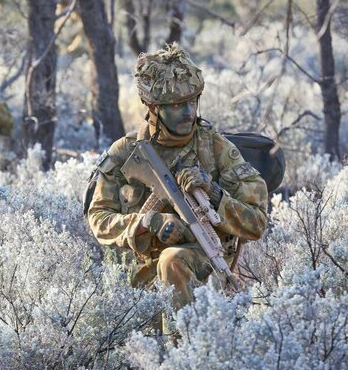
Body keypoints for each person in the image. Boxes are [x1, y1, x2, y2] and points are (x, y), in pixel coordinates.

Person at [87, 44, 268, 336]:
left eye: (193, 101)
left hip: (205, 267)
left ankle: (182, 354)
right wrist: (149, 223)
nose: (188, 112)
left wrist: (214, 194)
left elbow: (256, 223)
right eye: (176, 105)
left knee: (173, 261)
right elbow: (98, 219)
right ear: (154, 108)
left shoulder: (216, 147)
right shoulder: (126, 152)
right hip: (140, 277)